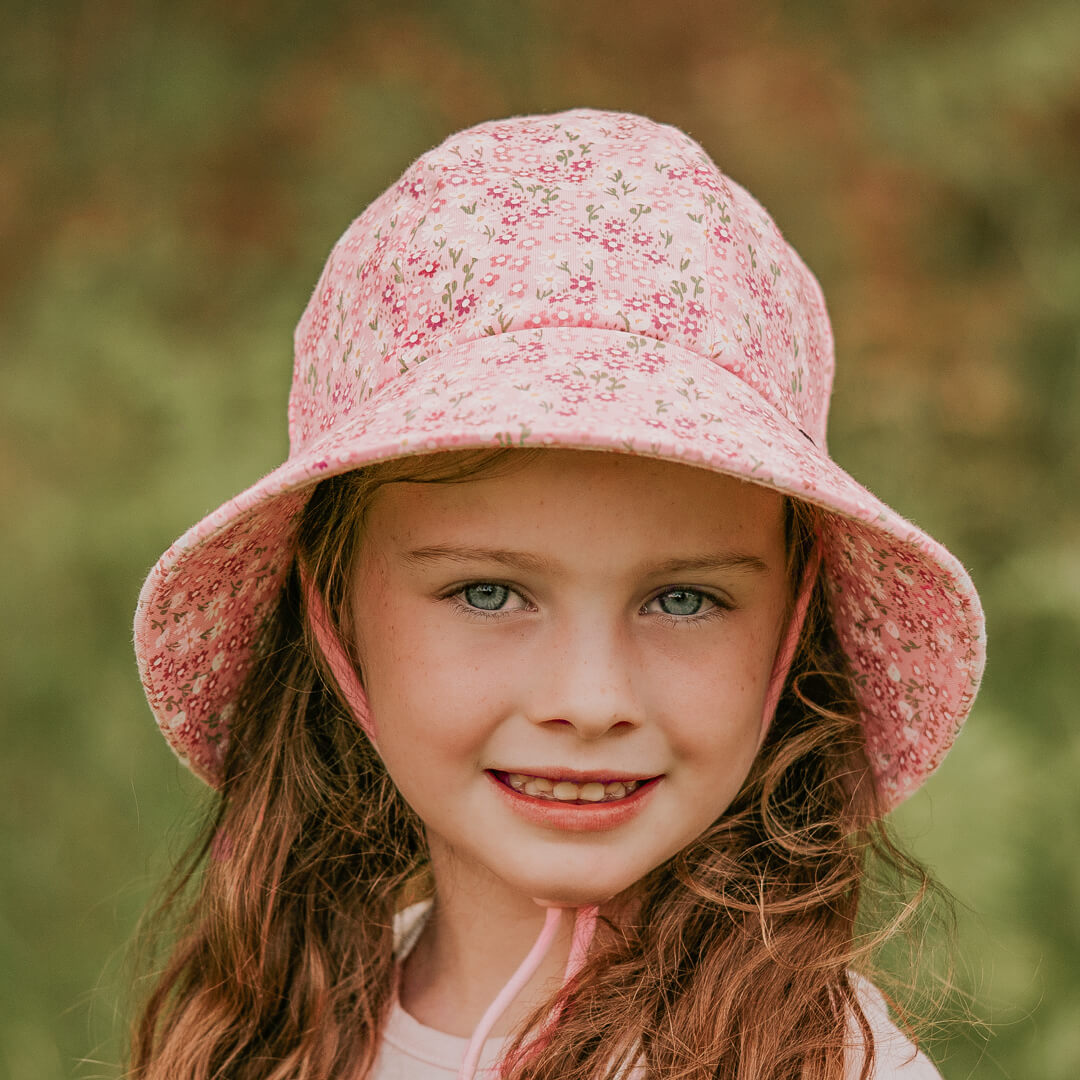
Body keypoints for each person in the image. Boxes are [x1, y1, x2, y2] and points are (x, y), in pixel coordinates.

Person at [130, 109, 985, 1079]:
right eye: (488, 593)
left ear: (794, 629)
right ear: (334, 612)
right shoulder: (259, 1047)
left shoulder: (830, 1067)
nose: (588, 702)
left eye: (684, 601)